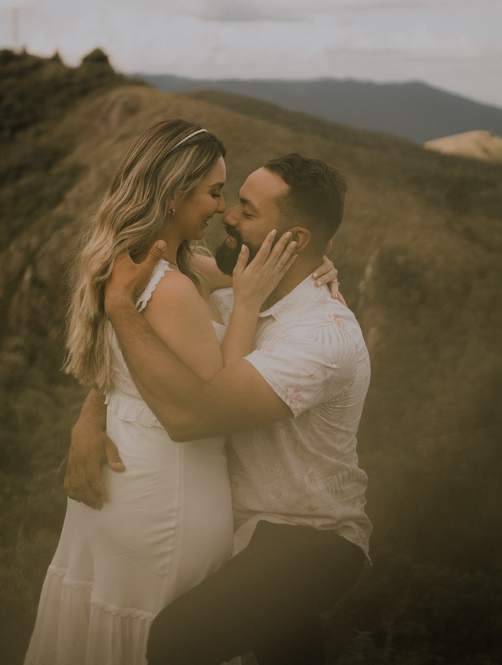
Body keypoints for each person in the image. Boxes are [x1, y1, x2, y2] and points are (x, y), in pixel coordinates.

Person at [22, 121, 337, 665]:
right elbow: (220, 398)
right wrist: (246, 306)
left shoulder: (136, 263)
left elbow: (231, 277)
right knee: (160, 636)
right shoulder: (170, 288)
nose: (222, 208)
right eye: (214, 192)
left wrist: (311, 264)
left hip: (118, 484)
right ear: (174, 193)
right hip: (168, 492)